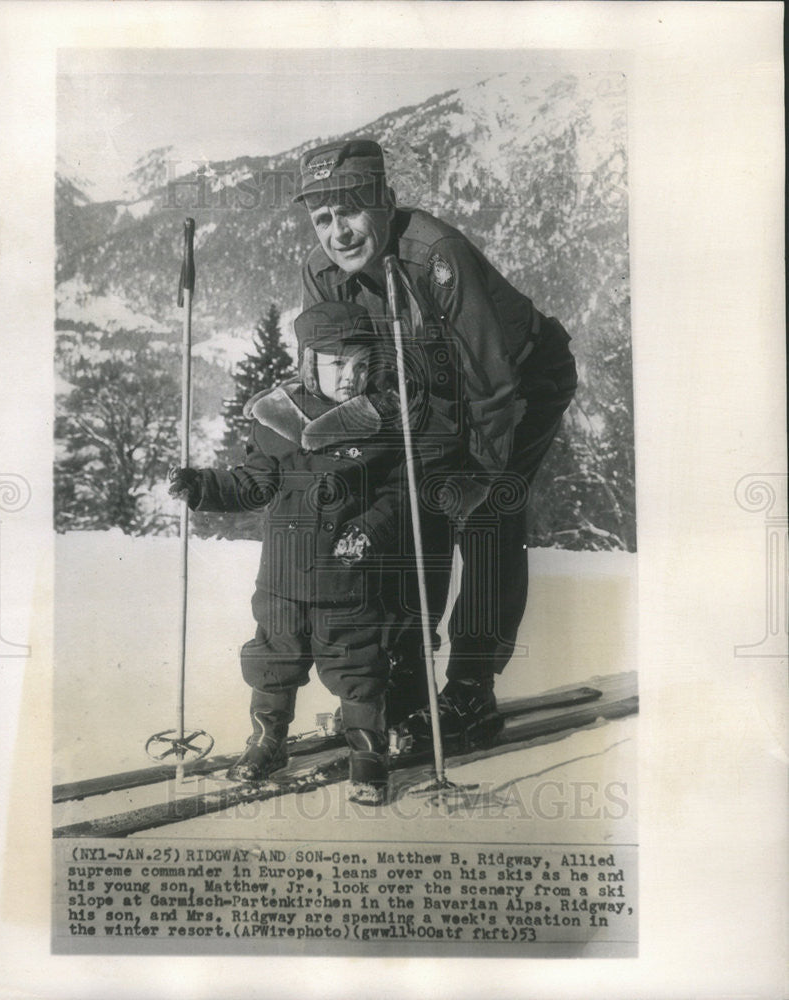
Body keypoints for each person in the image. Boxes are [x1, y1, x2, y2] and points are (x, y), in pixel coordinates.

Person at [292, 137, 578, 751]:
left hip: (519, 379)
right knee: (404, 507)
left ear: (385, 202)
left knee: (484, 513)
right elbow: (339, 374)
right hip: (426, 394)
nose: (338, 232)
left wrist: (475, 476)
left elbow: (491, 386)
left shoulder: (435, 255)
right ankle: (402, 675)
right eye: (323, 218)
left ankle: (472, 686)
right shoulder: (324, 275)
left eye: (351, 210)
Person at [169, 301, 435, 805]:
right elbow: (252, 484)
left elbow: (398, 496)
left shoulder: (381, 424)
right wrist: (201, 487)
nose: (351, 377)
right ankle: (269, 741)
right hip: (283, 578)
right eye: (337, 364)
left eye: (361, 364)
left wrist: (369, 531)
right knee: (273, 660)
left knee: (358, 670)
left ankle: (367, 754)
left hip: (347, 580)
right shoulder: (274, 422)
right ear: (308, 362)